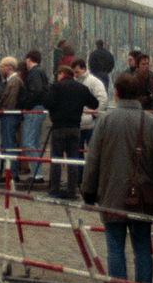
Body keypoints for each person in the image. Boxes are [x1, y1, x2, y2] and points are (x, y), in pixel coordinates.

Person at [82, 73, 153, 283]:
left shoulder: (106, 120)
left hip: (111, 193)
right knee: (143, 246)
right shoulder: (151, 122)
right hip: (143, 196)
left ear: (117, 93)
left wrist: (88, 190)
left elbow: (93, 159)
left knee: (114, 246)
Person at [45, 66, 99, 199]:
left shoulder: (56, 87)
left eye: (58, 74)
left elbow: (47, 103)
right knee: (73, 160)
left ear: (62, 74)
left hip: (59, 127)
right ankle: (71, 190)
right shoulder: (81, 88)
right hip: (75, 128)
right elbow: (94, 103)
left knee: (56, 159)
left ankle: (54, 190)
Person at [21, 50, 50, 181]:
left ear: (28, 59)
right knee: (35, 142)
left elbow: (36, 91)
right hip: (40, 108)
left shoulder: (34, 73)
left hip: (34, 109)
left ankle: (37, 174)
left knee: (29, 141)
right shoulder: (41, 71)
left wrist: (27, 104)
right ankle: (37, 173)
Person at [71, 58, 108, 149]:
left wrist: (94, 115)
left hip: (91, 124)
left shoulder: (94, 82)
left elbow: (103, 99)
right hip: (79, 123)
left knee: (92, 151)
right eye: (74, 72)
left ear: (84, 69)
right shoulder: (75, 82)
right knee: (78, 152)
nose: (75, 75)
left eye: (77, 72)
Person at [0, 57, 24, 174]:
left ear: (9, 67)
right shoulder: (12, 81)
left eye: (2, 67)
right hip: (10, 115)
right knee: (9, 142)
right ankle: (11, 170)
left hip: (10, 115)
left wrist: (3, 109)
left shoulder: (14, 81)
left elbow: (11, 100)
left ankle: (12, 172)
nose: (1, 69)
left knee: (9, 143)